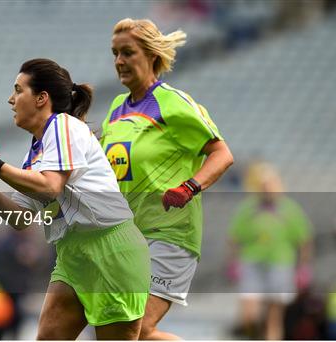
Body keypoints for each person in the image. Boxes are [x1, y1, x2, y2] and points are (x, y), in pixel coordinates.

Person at [0, 58, 151, 340]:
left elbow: (50, 187)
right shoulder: (37, 152)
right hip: (72, 256)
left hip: (111, 253)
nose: (11, 99)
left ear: (41, 98)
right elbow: (20, 218)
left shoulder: (63, 126)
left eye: (18, 90)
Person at [100, 18, 234, 340]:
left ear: (151, 55)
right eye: (115, 53)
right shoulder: (117, 109)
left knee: (139, 327)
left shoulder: (172, 102)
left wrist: (190, 187)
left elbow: (222, 154)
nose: (119, 61)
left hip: (169, 234)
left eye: (128, 52)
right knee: (114, 330)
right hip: (126, 237)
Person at [228, 162, 313, 340]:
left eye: (271, 184)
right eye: (263, 185)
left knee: (274, 318)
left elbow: (304, 241)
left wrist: (303, 269)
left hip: (280, 263)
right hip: (252, 263)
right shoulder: (248, 209)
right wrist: (233, 263)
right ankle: (255, 336)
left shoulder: (290, 209)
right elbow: (234, 238)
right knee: (249, 316)